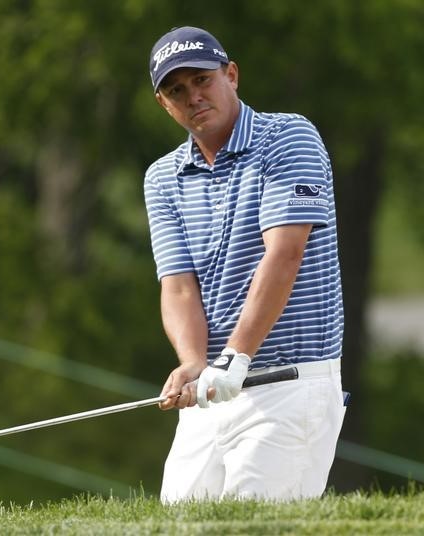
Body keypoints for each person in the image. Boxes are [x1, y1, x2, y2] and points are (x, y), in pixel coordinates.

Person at [144, 26, 345, 502]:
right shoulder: (162, 178)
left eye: (202, 80)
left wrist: (236, 356)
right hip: (213, 386)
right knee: (177, 523)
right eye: (177, 90)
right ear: (164, 104)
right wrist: (194, 361)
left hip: (288, 383)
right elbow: (178, 286)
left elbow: (284, 254)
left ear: (230, 75)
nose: (193, 97)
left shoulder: (288, 137)